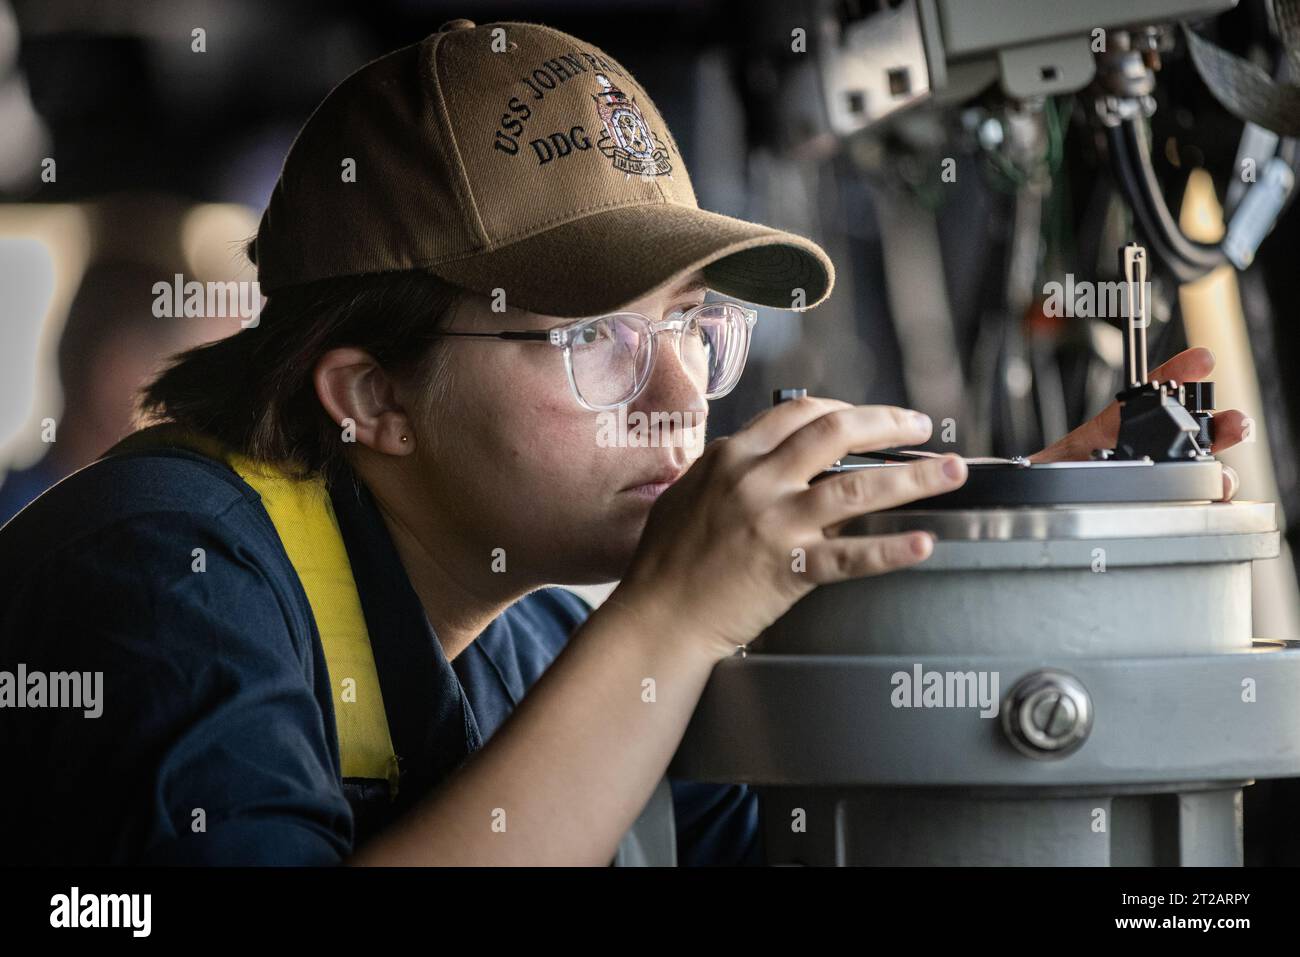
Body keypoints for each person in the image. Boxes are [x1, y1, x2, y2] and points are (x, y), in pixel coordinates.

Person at [0, 19, 1245, 866]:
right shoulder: (162, 579)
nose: (679, 392)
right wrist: (673, 620)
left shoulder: (525, 631)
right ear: (371, 398)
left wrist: (1000, 555)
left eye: (698, 327)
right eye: (594, 336)